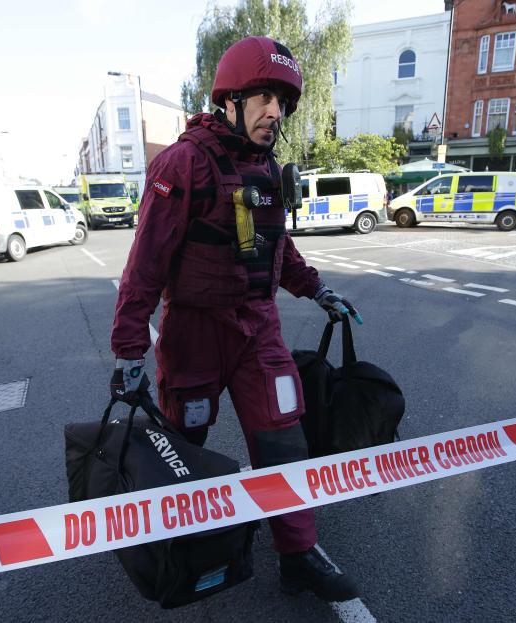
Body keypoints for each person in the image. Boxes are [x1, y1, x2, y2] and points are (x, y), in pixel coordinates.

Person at [109, 36, 361, 602]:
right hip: (195, 332)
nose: (276, 112)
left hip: (258, 329)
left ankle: (298, 555)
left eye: (283, 102)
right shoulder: (183, 163)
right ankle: (173, 544)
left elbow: (278, 246)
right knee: (183, 442)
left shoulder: (265, 169)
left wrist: (316, 289)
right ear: (231, 100)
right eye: (264, 97)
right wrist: (129, 349)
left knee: (283, 442)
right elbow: (146, 262)